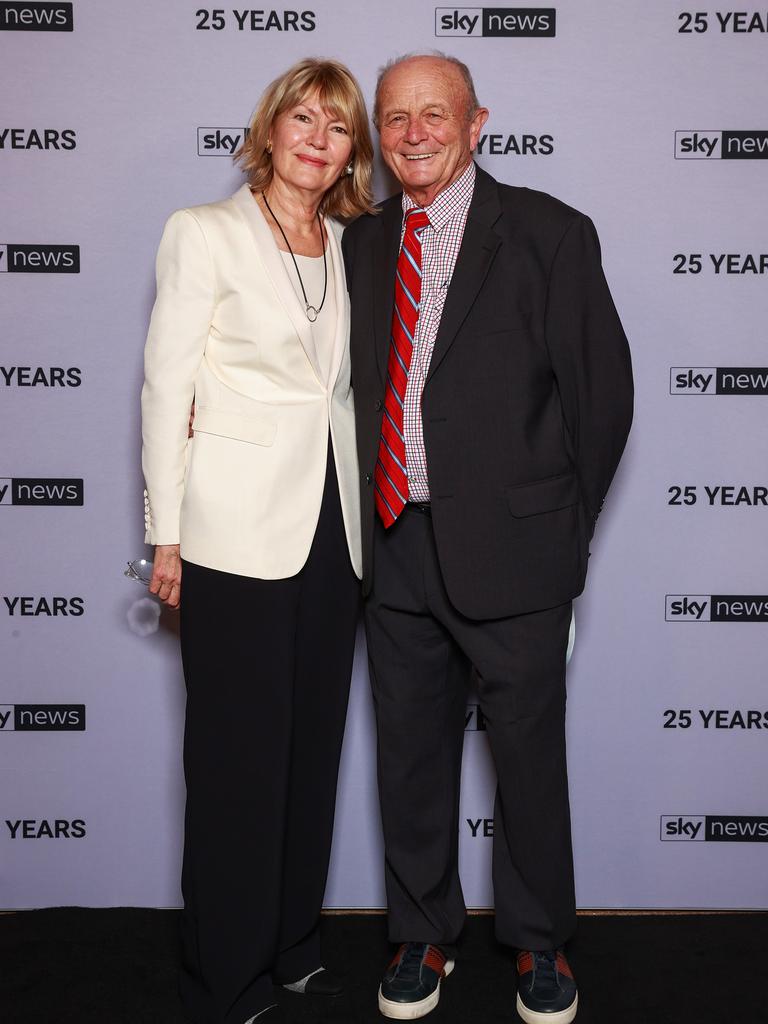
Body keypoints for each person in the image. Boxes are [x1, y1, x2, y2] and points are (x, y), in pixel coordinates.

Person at [342, 54, 633, 1023]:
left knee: (529, 757)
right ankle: (421, 929)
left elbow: (601, 399)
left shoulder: (549, 233)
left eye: (435, 114)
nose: (413, 133)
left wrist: (560, 527)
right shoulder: (360, 242)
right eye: (395, 118)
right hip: (395, 543)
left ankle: (540, 943)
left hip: (518, 552)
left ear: (477, 125)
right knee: (409, 754)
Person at [141, 58, 374, 1024]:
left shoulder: (349, 243)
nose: (320, 139)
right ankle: (222, 976)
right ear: (272, 129)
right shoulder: (204, 233)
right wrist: (166, 534)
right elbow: (166, 388)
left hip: (334, 533)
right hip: (232, 534)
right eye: (305, 119)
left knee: (308, 754)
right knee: (238, 766)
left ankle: (291, 944)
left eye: (339, 127)